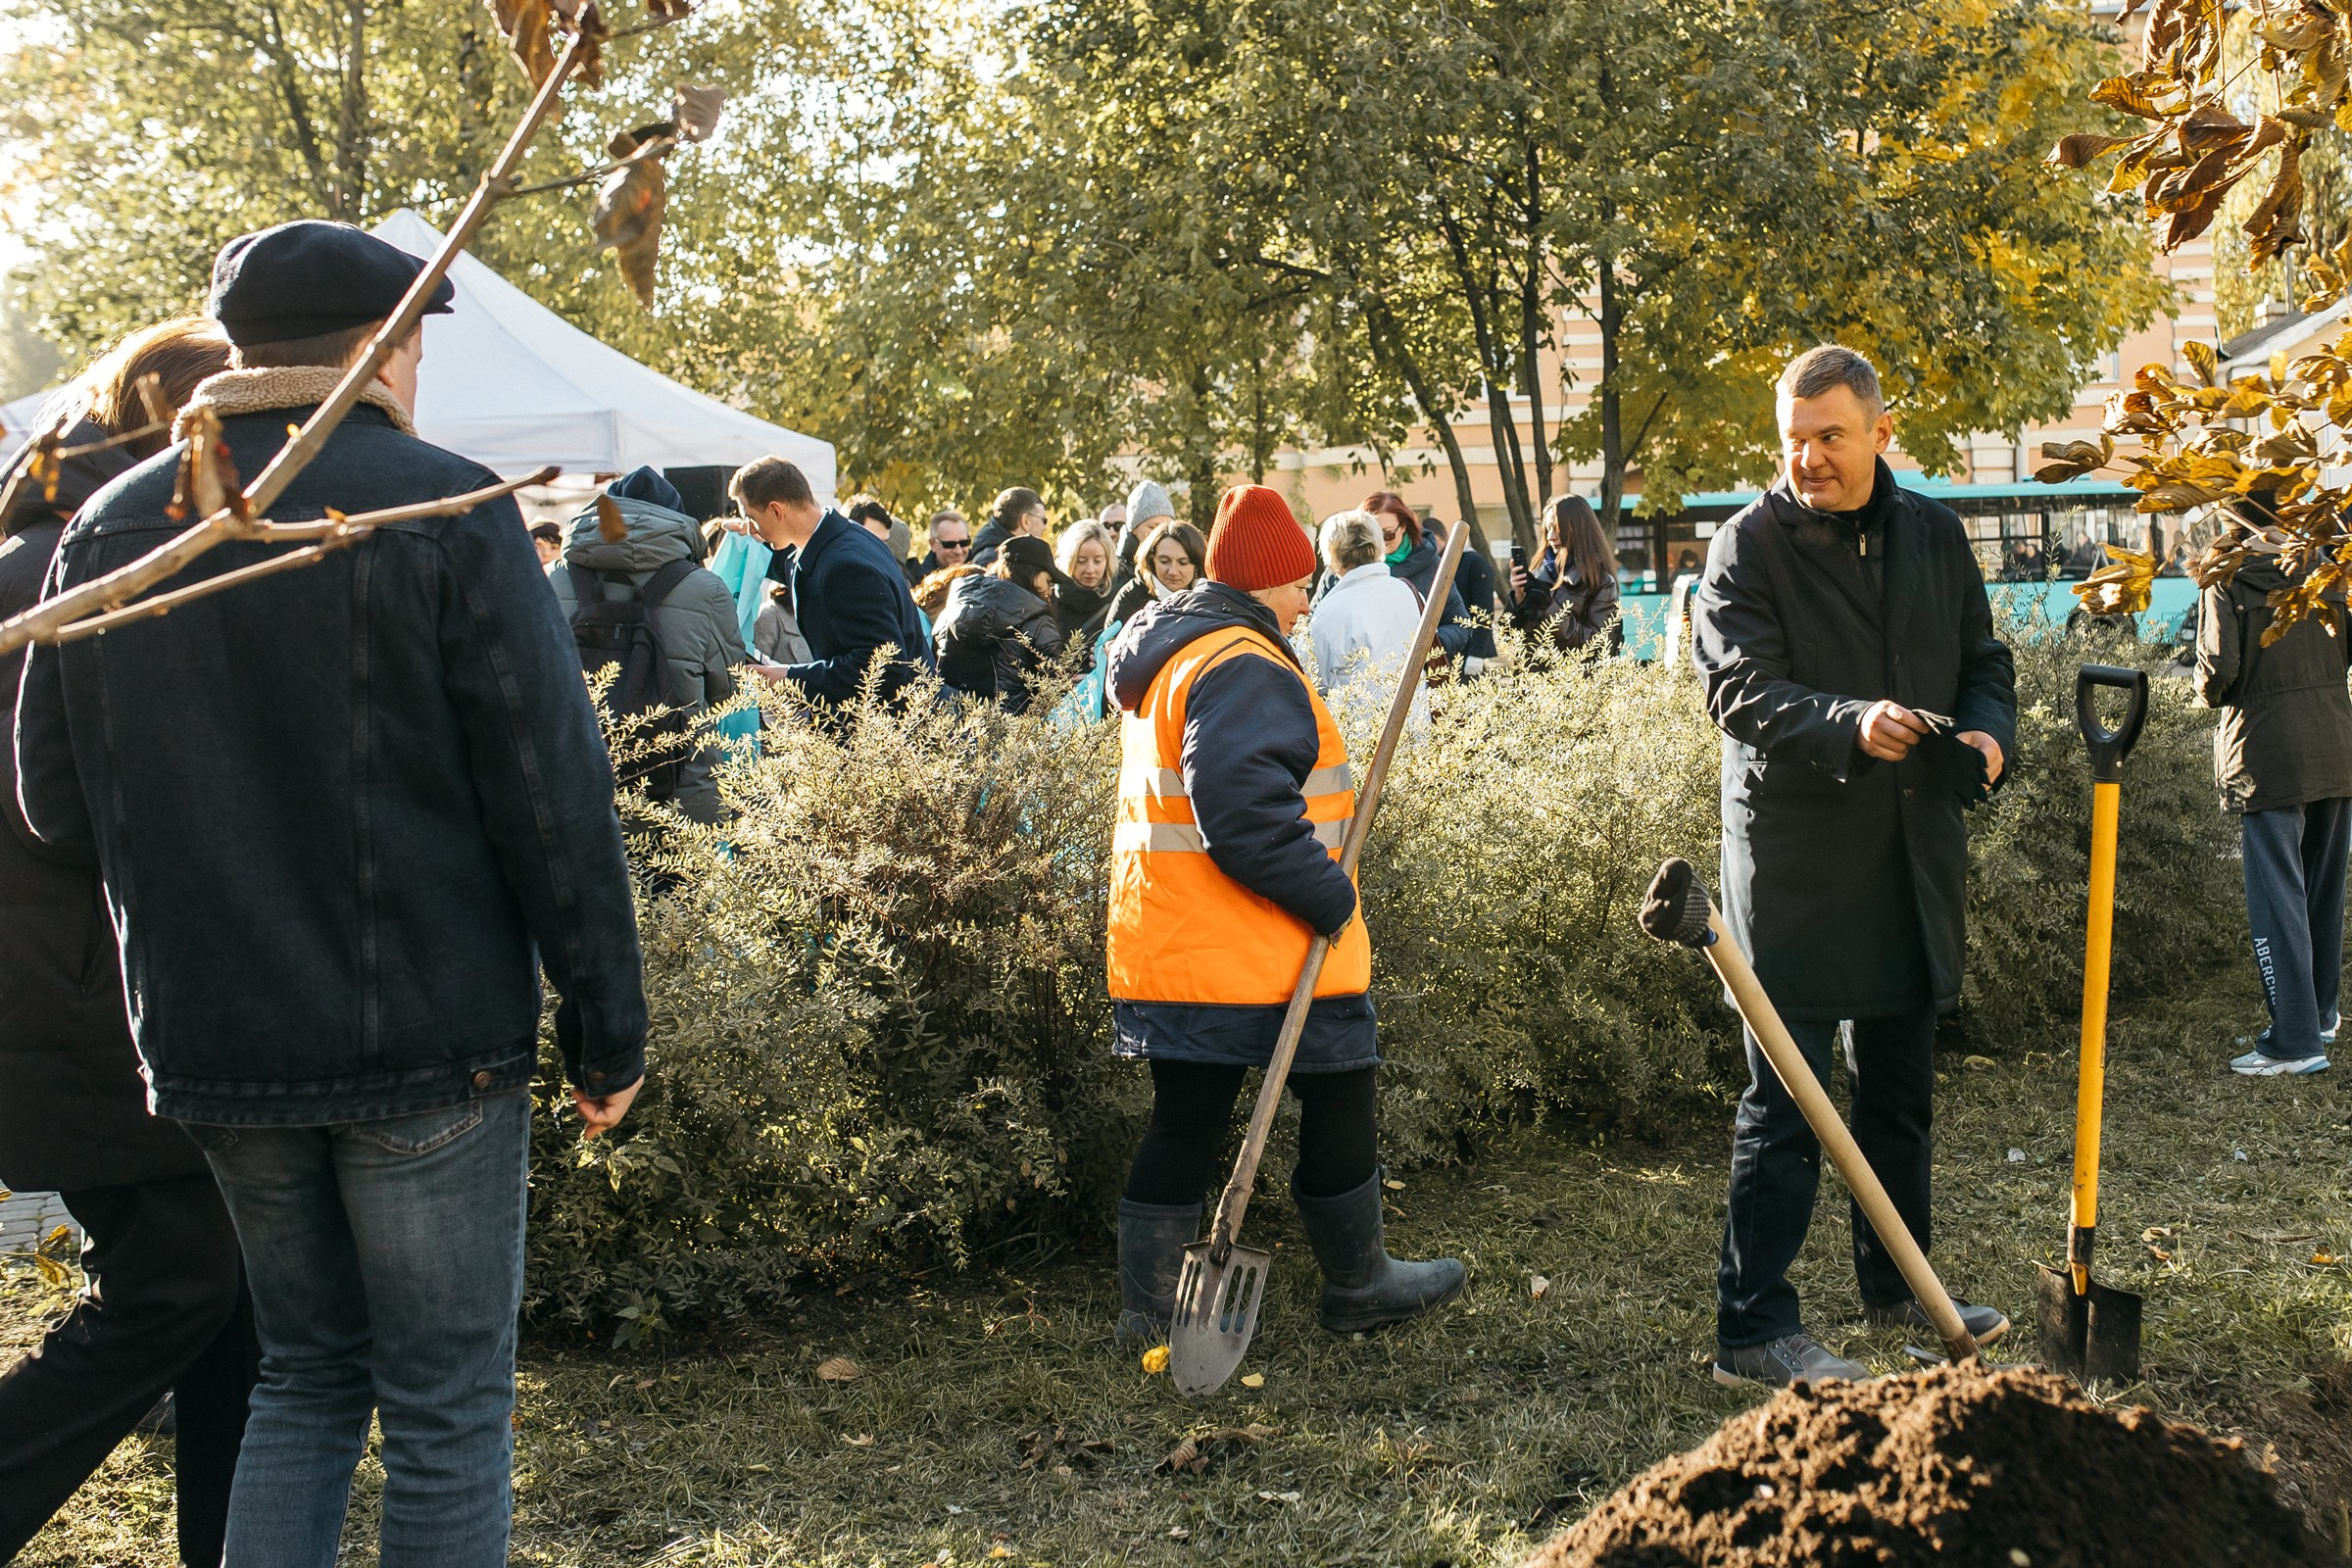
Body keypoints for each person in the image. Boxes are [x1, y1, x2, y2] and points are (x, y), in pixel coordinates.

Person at [12, 220, 648, 1565]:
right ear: (380, 348)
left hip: (210, 1037)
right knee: (444, 1403)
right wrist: (609, 1028)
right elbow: (551, 792)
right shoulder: (443, 506)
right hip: (423, 1037)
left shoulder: (114, 528)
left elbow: (56, 806)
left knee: (303, 1377)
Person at [1690, 344, 2016, 1388]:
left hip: (1910, 854)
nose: (1809, 458)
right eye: (1792, 438)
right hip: (1794, 861)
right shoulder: (1745, 548)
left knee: (1899, 1091)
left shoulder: (1934, 534)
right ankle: (1753, 1326)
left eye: (1829, 435)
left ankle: (1900, 1281)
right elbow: (1736, 690)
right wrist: (1848, 720)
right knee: (1786, 1097)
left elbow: (1984, 664)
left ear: (1880, 430)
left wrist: (1990, 735)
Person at [0, 317, 259, 1568]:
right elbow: (65, 810)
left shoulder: (70, 547)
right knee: (185, 1281)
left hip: (106, 985)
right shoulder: (83, 567)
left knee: (239, 1300)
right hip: (82, 989)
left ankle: (239, 1547)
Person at [1103, 483, 1464, 1343]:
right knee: (1342, 1092)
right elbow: (1243, 813)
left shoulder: (1180, 651)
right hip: (1267, 946)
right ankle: (1359, 1283)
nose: (1310, 599)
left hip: (1182, 947)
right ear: (1267, 583)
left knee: (1185, 1118)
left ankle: (1151, 1316)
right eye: (1300, 583)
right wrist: (1329, 893)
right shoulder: (1246, 664)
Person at [2194, 502, 2351, 1076]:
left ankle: (2293, 1040)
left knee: (2277, 897)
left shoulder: (2225, 574)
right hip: (2336, 746)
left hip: (2266, 756)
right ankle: (2321, 1014)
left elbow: (2218, 673)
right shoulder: (2324, 564)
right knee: (2323, 889)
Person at [547, 466, 751, 825]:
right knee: (674, 881)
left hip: (573, 790)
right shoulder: (706, 589)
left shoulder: (554, 579)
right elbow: (728, 689)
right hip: (680, 793)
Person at [727, 456, 934, 708]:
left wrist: (788, 677)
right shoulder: (837, 538)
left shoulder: (845, 567)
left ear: (776, 510)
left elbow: (883, 668)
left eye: (752, 518)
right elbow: (795, 568)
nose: (752, 528)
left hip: (892, 730)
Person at [1308, 509, 1429, 733]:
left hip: (1360, 742)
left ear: (1331, 554)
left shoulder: (1330, 613)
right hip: (1415, 731)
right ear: (1378, 545)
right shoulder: (1410, 594)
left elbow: (1312, 682)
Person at [934, 534, 1073, 713]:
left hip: (947, 723)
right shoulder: (1038, 623)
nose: (1049, 590)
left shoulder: (953, 610)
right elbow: (1055, 691)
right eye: (1047, 581)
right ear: (1032, 574)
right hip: (1009, 731)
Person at [1360, 491, 1471, 659]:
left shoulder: (1431, 565)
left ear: (1403, 526)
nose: (1379, 543)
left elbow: (1460, 624)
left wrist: (1429, 646)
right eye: (1370, 535)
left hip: (1416, 675)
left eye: (1387, 534)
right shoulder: (1347, 566)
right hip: (1358, 675)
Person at [1509, 495, 1621, 654]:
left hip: (1572, 677)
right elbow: (1508, 637)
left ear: (1579, 528)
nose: (1550, 537)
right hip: (1530, 676)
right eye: (1548, 529)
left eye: (1557, 528)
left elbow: (1597, 645)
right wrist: (1518, 597)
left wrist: (1549, 607)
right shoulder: (1536, 575)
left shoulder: (1601, 582)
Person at [1104, 517, 1206, 630]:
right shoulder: (1131, 596)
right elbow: (1110, 643)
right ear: (1151, 559)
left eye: (1182, 563)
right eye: (1164, 561)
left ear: (1197, 565)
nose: (1173, 571)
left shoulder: (1208, 598)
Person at [1054, 517, 1115, 641]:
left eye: (1097, 561)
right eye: (1081, 561)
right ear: (1068, 561)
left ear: (1108, 560)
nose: (1090, 570)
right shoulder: (1049, 603)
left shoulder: (1120, 600)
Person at [969, 486, 1047, 567]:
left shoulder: (1007, 556)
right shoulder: (995, 561)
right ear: (1025, 521)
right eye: (1044, 520)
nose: (1045, 527)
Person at [909, 508, 972, 585]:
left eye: (964, 543)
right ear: (933, 544)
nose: (958, 551)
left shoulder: (984, 574)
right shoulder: (919, 583)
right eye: (949, 544)